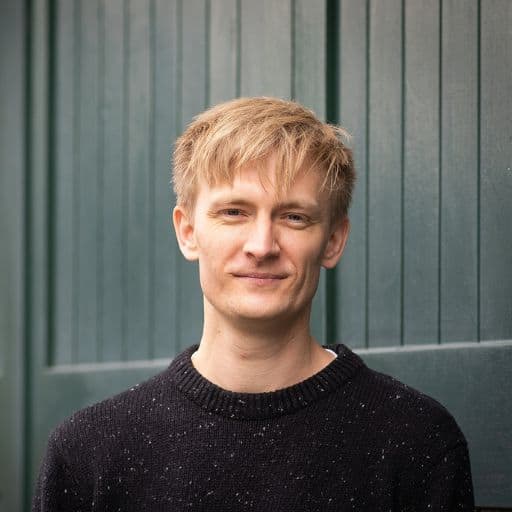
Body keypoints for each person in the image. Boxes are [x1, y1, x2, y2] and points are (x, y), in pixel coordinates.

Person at [33, 97, 474, 511]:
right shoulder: (87, 453)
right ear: (187, 231)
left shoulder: (417, 442)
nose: (261, 245)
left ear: (333, 241)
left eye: (294, 217)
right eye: (234, 212)